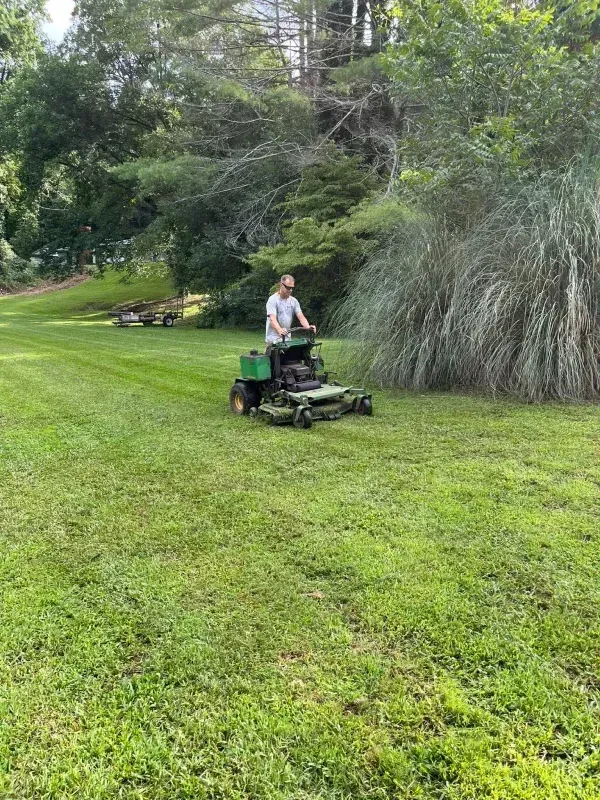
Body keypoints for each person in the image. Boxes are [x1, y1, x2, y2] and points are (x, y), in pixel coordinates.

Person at [265, 274, 316, 349]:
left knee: (291, 359)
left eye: (292, 288)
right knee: (275, 360)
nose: (290, 290)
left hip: (287, 339)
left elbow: (301, 317)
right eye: (288, 287)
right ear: (281, 285)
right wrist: (279, 330)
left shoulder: (294, 301)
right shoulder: (273, 300)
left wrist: (308, 327)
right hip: (273, 339)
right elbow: (272, 319)